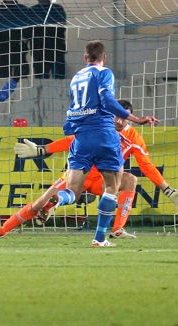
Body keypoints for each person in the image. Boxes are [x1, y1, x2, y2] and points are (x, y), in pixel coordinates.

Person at [0, 99, 178, 240]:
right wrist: (44, 149)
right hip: (78, 175)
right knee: (39, 203)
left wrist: (167, 190)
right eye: (116, 115)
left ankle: (117, 229)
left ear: (129, 118)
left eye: (123, 116)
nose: (118, 120)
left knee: (130, 180)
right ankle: (1, 230)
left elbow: (147, 166)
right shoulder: (99, 126)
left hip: (102, 181)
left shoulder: (134, 138)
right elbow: (71, 140)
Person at [63, 40, 156, 246]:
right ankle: (99, 238)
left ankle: (58, 200)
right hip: (104, 134)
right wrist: (136, 119)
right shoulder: (104, 73)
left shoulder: (76, 78)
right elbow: (106, 100)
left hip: (81, 136)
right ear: (104, 58)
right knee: (112, 187)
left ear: (85, 58)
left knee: (72, 190)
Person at [0, 0, 33, 79]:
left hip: (18, 47)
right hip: (2, 48)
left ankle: (22, 93)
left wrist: (26, 41)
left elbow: (29, 30)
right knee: (3, 75)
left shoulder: (23, 10)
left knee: (21, 74)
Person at [30, 0, 67, 79]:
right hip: (39, 50)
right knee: (40, 81)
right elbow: (28, 31)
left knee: (59, 80)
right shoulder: (32, 11)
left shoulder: (57, 9)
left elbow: (62, 27)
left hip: (56, 49)